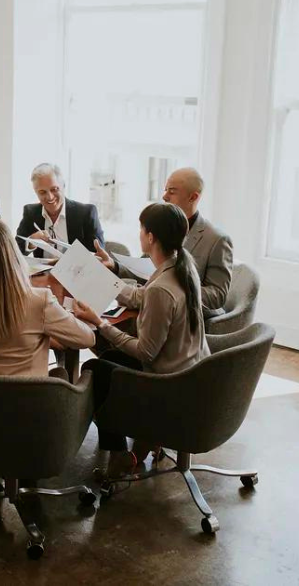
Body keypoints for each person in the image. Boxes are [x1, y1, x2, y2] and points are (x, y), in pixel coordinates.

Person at [74, 202, 211, 479]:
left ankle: (122, 454)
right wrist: (104, 278)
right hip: (192, 370)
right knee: (108, 360)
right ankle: (139, 443)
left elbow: (145, 353)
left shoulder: (163, 287)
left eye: (141, 229)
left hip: (167, 382)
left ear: (150, 237)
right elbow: (143, 296)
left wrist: (100, 323)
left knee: (95, 370)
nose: (139, 234)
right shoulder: (183, 267)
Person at [0, 219, 94, 378]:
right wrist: (46, 332)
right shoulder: (39, 300)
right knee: (61, 374)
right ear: (12, 254)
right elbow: (87, 339)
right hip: (29, 398)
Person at [96, 167, 232, 315]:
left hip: (192, 319)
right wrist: (114, 266)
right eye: (165, 190)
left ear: (193, 197)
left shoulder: (217, 239)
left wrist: (169, 291)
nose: (164, 196)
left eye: (172, 192)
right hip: (153, 309)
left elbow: (218, 296)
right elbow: (144, 271)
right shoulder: (160, 226)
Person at [15, 163, 105, 257]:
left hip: (76, 270)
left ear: (63, 186)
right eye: (42, 192)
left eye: (54, 189)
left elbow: (98, 255)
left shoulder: (86, 213)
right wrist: (31, 241)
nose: (49, 197)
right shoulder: (30, 212)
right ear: (36, 192)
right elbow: (13, 251)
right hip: (42, 271)